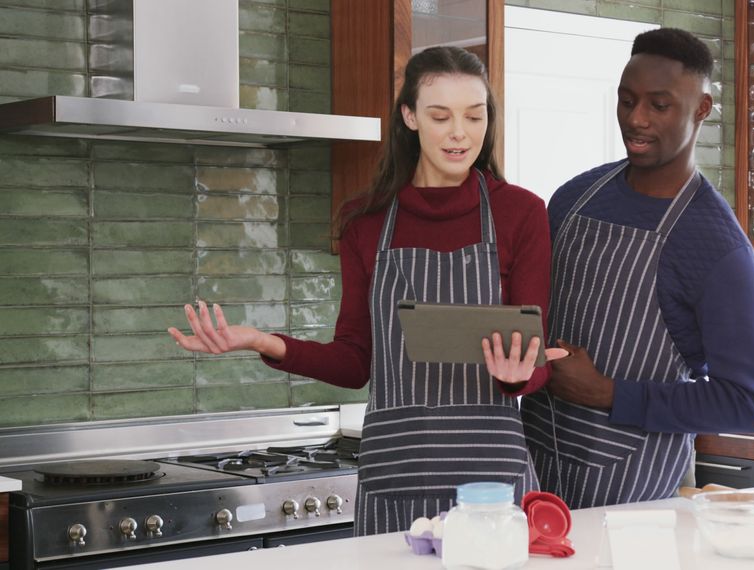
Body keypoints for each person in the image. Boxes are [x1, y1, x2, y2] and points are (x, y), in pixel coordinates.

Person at [168, 46, 564, 535]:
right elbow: (356, 361)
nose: (460, 133)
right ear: (410, 116)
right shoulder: (366, 221)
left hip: (492, 483)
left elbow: (536, 361)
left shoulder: (521, 213)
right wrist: (260, 341)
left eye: (474, 116)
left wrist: (517, 377)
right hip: (395, 474)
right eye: (440, 116)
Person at [521, 28, 754, 510]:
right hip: (535, 475)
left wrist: (609, 393)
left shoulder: (717, 245)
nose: (636, 120)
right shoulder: (573, 198)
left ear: (702, 108)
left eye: (659, 105)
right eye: (626, 100)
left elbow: (745, 403)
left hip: (636, 498)